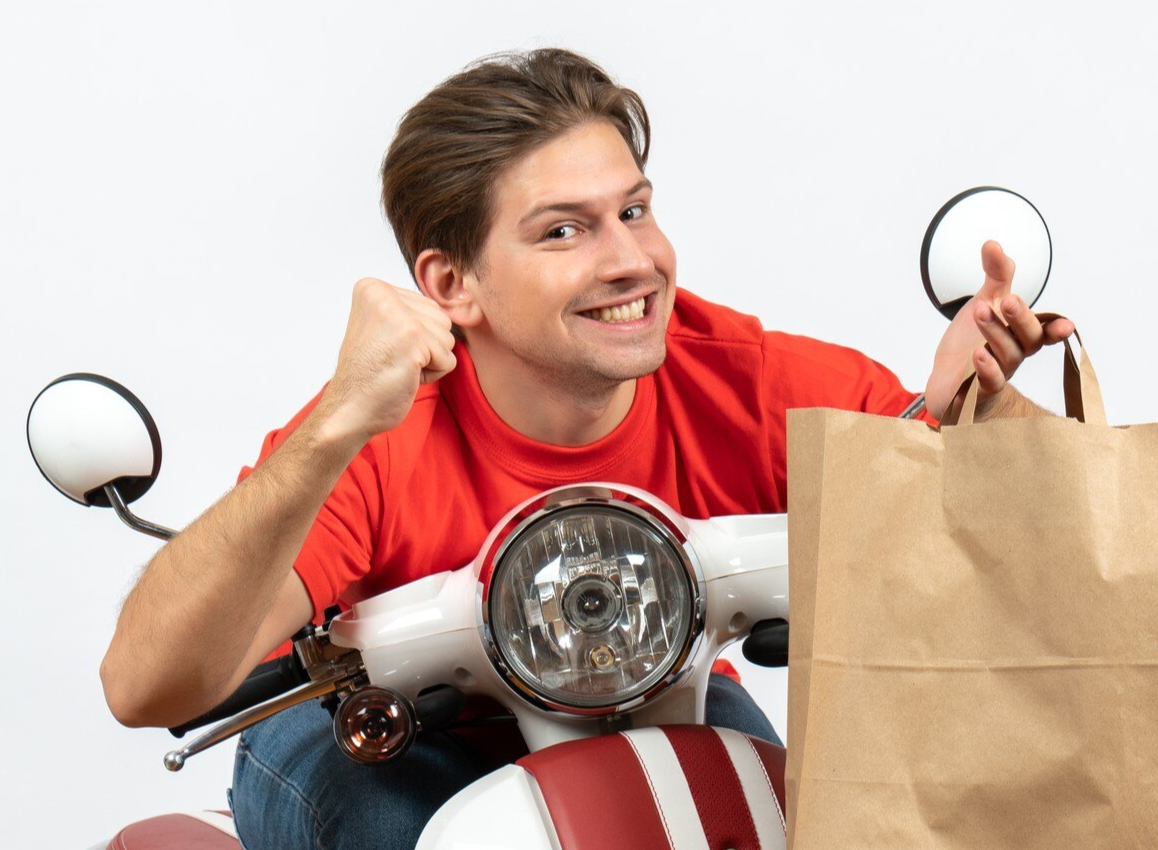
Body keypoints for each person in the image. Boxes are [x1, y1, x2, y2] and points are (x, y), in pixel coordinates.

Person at [96, 48, 1076, 850]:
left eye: (634, 211)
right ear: (452, 284)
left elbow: (1007, 536)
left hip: (650, 700)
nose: (633, 262)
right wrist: (335, 422)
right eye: (565, 229)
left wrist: (967, 411)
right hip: (388, 731)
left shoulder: (741, 377)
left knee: (790, 822)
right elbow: (143, 686)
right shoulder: (374, 429)